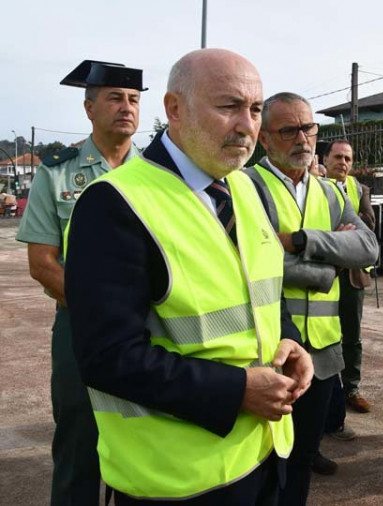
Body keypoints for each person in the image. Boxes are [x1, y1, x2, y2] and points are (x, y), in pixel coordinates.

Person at [64, 49, 314, 504]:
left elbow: (262, 294)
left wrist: (291, 340)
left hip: (261, 454)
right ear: (174, 109)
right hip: (176, 480)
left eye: (255, 110)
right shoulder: (113, 203)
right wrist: (238, 391)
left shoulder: (244, 187)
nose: (247, 126)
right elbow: (108, 358)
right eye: (228, 106)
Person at [15, 59, 144, 506]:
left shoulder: (158, 175)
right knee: (79, 445)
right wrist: (103, 309)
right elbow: (41, 262)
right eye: (114, 98)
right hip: (80, 329)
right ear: (89, 108)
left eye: (132, 100)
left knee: (147, 443)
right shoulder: (58, 172)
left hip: (152, 328)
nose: (126, 108)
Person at [245, 94, 378, 505]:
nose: (303, 139)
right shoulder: (248, 187)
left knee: (302, 457)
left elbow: (370, 248)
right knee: (264, 462)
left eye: (309, 128)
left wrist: (302, 241)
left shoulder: (332, 192)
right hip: (270, 349)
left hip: (322, 350)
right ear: (265, 138)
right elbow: (253, 262)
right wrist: (330, 263)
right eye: (289, 130)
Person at [321, 139, 377, 416]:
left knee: (352, 336)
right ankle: (328, 395)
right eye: (338, 157)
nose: (343, 163)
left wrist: (349, 228)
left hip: (352, 275)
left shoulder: (359, 188)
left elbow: (369, 222)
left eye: (348, 158)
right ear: (325, 159)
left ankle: (352, 389)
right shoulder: (312, 185)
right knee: (324, 335)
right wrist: (338, 234)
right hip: (324, 273)